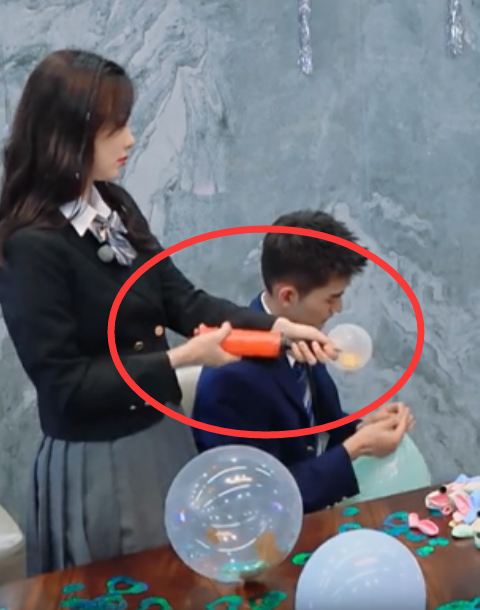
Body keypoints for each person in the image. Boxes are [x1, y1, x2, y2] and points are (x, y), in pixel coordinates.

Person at [0, 50, 339, 576]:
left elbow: (183, 299)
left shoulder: (115, 205)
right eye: (116, 128)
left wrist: (278, 327)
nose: (131, 139)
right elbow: (65, 384)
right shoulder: (30, 246)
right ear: (70, 135)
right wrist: (181, 358)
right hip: (98, 462)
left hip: (162, 440)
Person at [192, 210, 414, 513]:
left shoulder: (301, 334)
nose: (338, 308)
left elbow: (312, 426)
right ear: (288, 296)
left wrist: (361, 427)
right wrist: (357, 447)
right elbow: (258, 497)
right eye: (331, 298)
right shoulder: (231, 377)